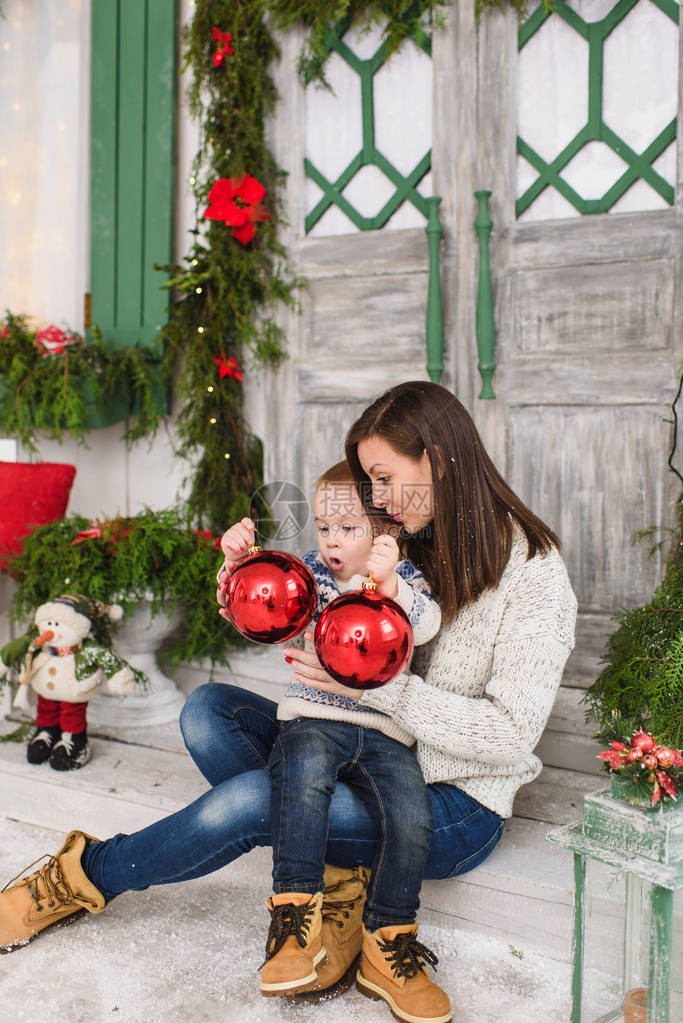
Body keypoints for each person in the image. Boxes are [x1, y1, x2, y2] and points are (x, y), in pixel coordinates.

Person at [0, 381, 577, 1023]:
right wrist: (246, 591)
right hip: (361, 748)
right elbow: (311, 597)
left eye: (382, 477)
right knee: (207, 711)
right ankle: (338, 869)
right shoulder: (407, 532)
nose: (374, 498)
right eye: (367, 482)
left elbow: (511, 733)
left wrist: (388, 689)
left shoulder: (534, 572)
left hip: (450, 803)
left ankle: (79, 879)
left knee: (254, 800)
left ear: (437, 459)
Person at [221, 461, 441, 1000]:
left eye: (349, 529)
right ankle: (295, 918)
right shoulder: (312, 577)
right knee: (300, 781)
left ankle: (390, 939)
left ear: (384, 533)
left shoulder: (405, 579)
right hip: (315, 720)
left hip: (386, 731)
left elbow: (428, 623)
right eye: (324, 528)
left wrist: (389, 584)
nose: (333, 541)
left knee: (412, 816)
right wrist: (234, 568)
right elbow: (259, 612)